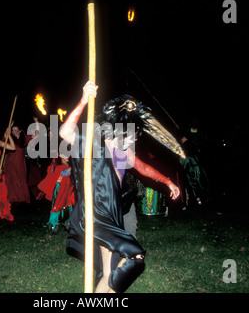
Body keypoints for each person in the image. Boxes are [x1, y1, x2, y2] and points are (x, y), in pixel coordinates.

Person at [60, 81, 185, 293]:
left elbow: (143, 168)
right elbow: (65, 132)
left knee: (109, 273)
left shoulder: (123, 152)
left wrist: (168, 181)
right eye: (131, 135)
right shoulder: (94, 144)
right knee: (134, 256)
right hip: (96, 212)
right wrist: (83, 100)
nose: (133, 139)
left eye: (135, 136)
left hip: (113, 214)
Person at [4, 116, 40, 206]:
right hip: (11, 163)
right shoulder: (10, 139)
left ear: (20, 131)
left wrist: (36, 122)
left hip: (20, 162)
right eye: (13, 130)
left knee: (21, 180)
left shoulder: (24, 139)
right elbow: (5, 135)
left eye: (16, 130)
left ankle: (21, 198)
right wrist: (10, 125)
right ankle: (12, 199)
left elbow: (37, 134)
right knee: (12, 180)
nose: (14, 132)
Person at [38, 154, 75, 234]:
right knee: (58, 205)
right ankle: (54, 224)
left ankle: (68, 223)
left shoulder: (68, 164)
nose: (67, 157)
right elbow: (63, 173)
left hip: (69, 189)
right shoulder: (58, 166)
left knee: (69, 205)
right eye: (65, 155)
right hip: (60, 190)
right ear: (60, 155)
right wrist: (74, 167)